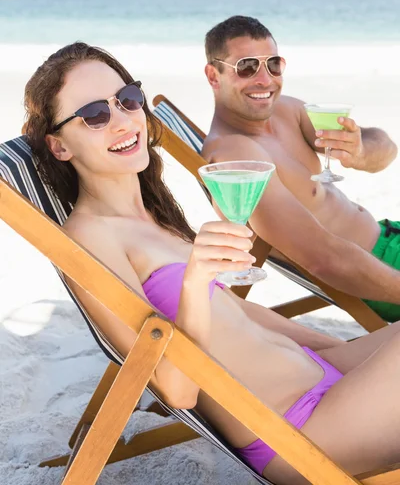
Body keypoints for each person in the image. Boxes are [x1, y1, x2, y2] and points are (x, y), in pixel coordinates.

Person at [23, 42, 400, 484]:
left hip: (331, 384)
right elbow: (178, 390)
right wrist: (195, 281)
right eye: (94, 114)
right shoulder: (89, 239)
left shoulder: (154, 217)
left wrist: (338, 352)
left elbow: (243, 315)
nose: (124, 120)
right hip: (300, 430)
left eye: (126, 100)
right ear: (59, 146)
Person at [202, 15, 400, 321]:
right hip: (384, 271)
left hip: (391, 234)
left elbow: (386, 149)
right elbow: (324, 259)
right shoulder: (236, 157)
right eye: (247, 67)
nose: (265, 80)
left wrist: (359, 150)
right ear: (214, 76)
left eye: (274, 65)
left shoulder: (288, 111)